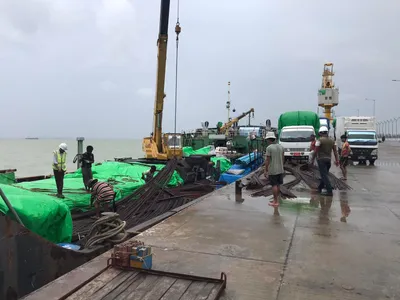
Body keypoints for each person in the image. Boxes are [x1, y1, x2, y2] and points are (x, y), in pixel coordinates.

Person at [311, 126, 339, 196]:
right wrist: (337, 160)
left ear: (320, 133)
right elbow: (335, 152)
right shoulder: (332, 141)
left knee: (324, 176)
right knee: (325, 175)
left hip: (321, 160)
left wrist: (312, 160)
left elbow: (315, 151)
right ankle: (320, 188)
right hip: (328, 160)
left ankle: (329, 191)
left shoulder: (319, 140)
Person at [264, 131, 285, 208]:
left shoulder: (269, 148)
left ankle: (275, 201)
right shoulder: (281, 147)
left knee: (274, 185)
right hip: (280, 169)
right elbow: (283, 158)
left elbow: (267, 160)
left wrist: (265, 170)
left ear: (269, 139)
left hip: (273, 169)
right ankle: (276, 200)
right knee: (278, 184)